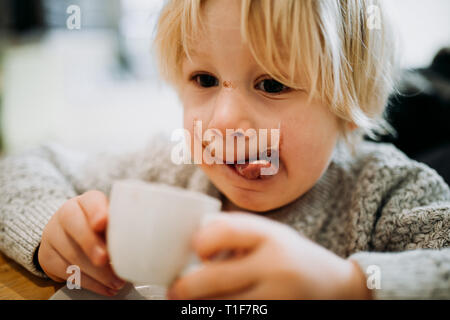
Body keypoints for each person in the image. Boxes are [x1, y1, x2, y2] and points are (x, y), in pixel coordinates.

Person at [0, 0, 449, 299]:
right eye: (205, 80)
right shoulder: (171, 168)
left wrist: (350, 286)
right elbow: (25, 167)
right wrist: (49, 230)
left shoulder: (387, 191)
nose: (223, 122)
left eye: (272, 84)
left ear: (350, 107)